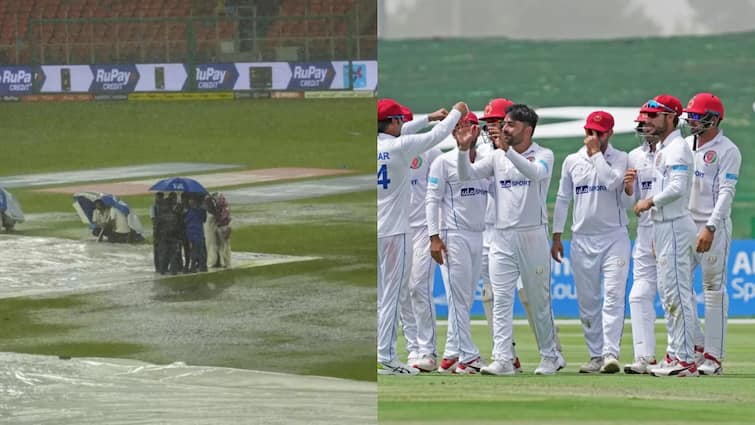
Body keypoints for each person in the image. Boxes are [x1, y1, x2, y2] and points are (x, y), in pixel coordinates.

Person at [457, 104, 564, 375]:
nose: (504, 129)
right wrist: (462, 151)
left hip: (533, 235)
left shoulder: (544, 155)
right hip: (502, 237)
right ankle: (503, 359)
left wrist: (507, 151)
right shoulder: (496, 157)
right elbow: (466, 175)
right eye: (504, 124)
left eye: (511, 125)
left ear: (527, 130)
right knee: (501, 298)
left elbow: (535, 174)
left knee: (538, 300)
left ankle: (551, 356)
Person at [377, 98, 467, 375]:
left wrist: (427, 116)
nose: (403, 125)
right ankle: (388, 358)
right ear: (392, 123)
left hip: (377, 231)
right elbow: (436, 136)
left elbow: (407, 130)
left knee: (386, 296)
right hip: (396, 232)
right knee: (394, 296)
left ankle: (395, 353)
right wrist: (456, 112)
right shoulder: (400, 147)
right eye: (400, 121)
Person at [551, 111, 630, 374]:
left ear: (610, 134)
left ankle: (610, 353)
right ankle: (596, 356)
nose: (593, 137)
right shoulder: (572, 160)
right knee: (588, 301)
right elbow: (563, 199)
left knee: (613, 298)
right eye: (589, 132)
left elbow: (610, 182)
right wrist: (557, 235)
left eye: (599, 133)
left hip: (614, 237)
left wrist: (596, 154)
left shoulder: (620, 158)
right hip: (582, 239)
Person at [632, 94, 699, 377]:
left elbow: (678, 188)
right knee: (668, 293)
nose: (647, 121)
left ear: (671, 117)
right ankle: (675, 354)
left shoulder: (677, 148)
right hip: (662, 226)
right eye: (646, 116)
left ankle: (684, 359)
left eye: (654, 116)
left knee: (677, 293)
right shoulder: (664, 148)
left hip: (673, 224)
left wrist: (649, 202)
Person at [426, 111, 489, 374]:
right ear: (453, 132)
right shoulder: (442, 162)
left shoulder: (488, 160)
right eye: (461, 127)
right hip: (454, 235)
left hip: (479, 234)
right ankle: (469, 356)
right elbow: (431, 199)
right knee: (458, 298)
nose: (467, 131)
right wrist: (434, 237)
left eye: (471, 126)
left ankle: (451, 354)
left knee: (463, 300)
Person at [683, 92, 740, 375]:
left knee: (713, 290)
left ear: (714, 119)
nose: (691, 120)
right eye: (690, 115)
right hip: (682, 225)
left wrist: (711, 227)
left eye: (697, 116)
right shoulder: (683, 145)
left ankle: (713, 358)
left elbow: (726, 194)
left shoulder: (728, 150)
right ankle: (697, 345)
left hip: (711, 227)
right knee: (675, 286)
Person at [401, 103, 447, 372]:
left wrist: (437, 234)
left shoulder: (431, 152)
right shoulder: (386, 151)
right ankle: (412, 350)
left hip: (423, 230)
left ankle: (428, 351)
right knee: (403, 292)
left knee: (418, 287)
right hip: (396, 231)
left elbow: (438, 195)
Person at [622, 111, 663, 374]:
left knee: (677, 296)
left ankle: (694, 350)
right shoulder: (634, 156)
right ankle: (644, 357)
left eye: (649, 123)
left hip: (671, 229)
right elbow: (631, 205)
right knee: (637, 296)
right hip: (645, 232)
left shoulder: (674, 151)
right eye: (642, 124)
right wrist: (628, 190)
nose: (645, 128)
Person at [205, 192, 232, 268]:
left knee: (223, 246)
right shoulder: (222, 209)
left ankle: (225, 262)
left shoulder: (222, 209)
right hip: (221, 227)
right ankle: (222, 262)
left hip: (223, 227)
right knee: (221, 246)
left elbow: (222, 218)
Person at [185, 196, 208, 273]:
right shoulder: (200, 211)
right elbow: (204, 219)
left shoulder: (189, 212)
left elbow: (185, 222)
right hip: (198, 234)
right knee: (200, 251)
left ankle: (193, 267)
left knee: (194, 251)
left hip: (192, 234)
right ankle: (202, 267)